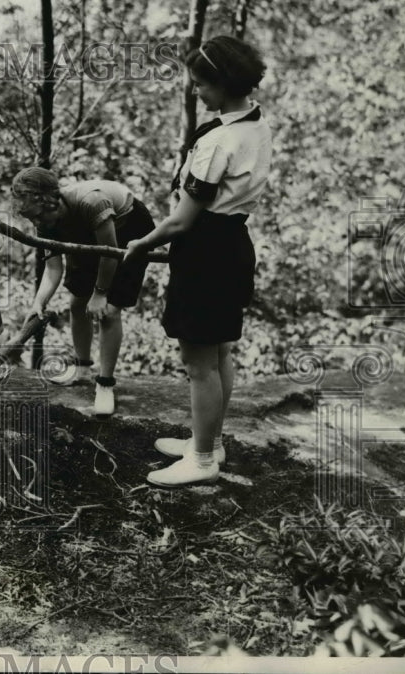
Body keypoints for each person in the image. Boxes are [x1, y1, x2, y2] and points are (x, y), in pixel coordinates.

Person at [123, 35, 271, 488]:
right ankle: (210, 440)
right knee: (220, 348)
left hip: (206, 251)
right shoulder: (255, 125)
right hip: (232, 244)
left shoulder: (219, 141)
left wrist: (141, 244)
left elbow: (182, 221)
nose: (195, 92)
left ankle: (203, 458)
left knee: (198, 360)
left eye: (200, 84)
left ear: (224, 84)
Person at [10, 168, 156, 416]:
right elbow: (53, 268)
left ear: (49, 201)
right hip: (86, 231)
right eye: (29, 218)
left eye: (36, 215)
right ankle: (83, 368)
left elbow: (109, 255)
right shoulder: (45, 219)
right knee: (78, 303)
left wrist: (100, 293)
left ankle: (105, 383)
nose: (35, 223)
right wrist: (39, 302)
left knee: (108, 311)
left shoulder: (92, 202)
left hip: (128, 228)